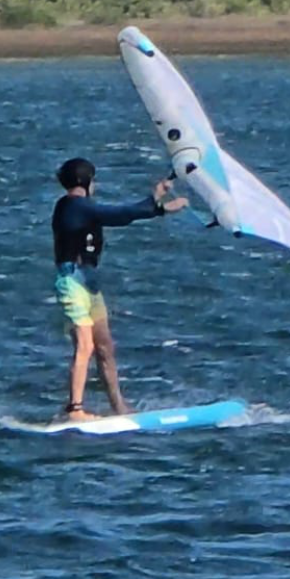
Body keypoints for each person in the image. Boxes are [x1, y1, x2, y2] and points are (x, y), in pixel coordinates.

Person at [52, 157, 187, 421]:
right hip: (72, 282)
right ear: (86, 181)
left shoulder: (83, 207)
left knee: (105, 347)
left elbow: (117, 214)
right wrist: (160, 208)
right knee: (85, 344)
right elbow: (118, 215)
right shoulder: (72, 207)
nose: (96, 184)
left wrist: (155, 196)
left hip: (89, 283)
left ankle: (119, 408)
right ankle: (75, 410)